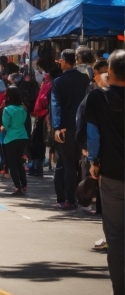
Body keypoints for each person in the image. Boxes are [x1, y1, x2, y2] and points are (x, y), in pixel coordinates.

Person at [84, 49, 125, 295]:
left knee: (116, 239)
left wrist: (94, 161)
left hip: (113, 176)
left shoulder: (98, 97)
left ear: (108, 72)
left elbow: (92, 135)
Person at [50, 49, 90, 209]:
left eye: (60, 60)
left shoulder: (59, 82)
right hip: (82, 127)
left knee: (68, 164)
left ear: (65, 61)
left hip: (65, 128)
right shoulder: (85, 80)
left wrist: (57, 127)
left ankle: (69, 199)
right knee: (71, 162)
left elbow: (56, 106)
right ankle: (66, 196)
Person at [1, 86, 29, 195]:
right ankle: (24, 184)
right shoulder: (23, 108)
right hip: (23, 136)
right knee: (19, 163)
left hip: (11, 138)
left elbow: (6, 125)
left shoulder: (7, 109)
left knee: (12, 164)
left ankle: (17, 187)